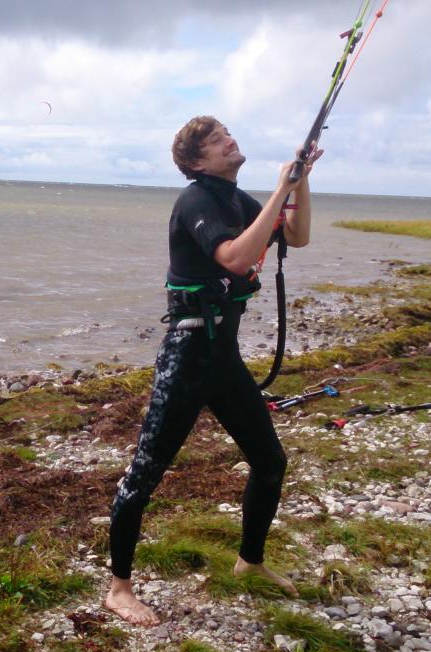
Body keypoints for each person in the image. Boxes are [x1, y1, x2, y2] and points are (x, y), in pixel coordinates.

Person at [106, 117, 322, 625]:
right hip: (186, 357)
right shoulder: (197, 200)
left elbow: (297, 235)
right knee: (143, 475)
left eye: (228, 131)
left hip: (222, 357)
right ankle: (118, 588)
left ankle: (250, 561)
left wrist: (301, 180)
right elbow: (233, 256)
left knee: (270, 461)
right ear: (197, 161)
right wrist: (279, 189)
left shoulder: (234, 198)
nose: (230, 139)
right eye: (216, 139)